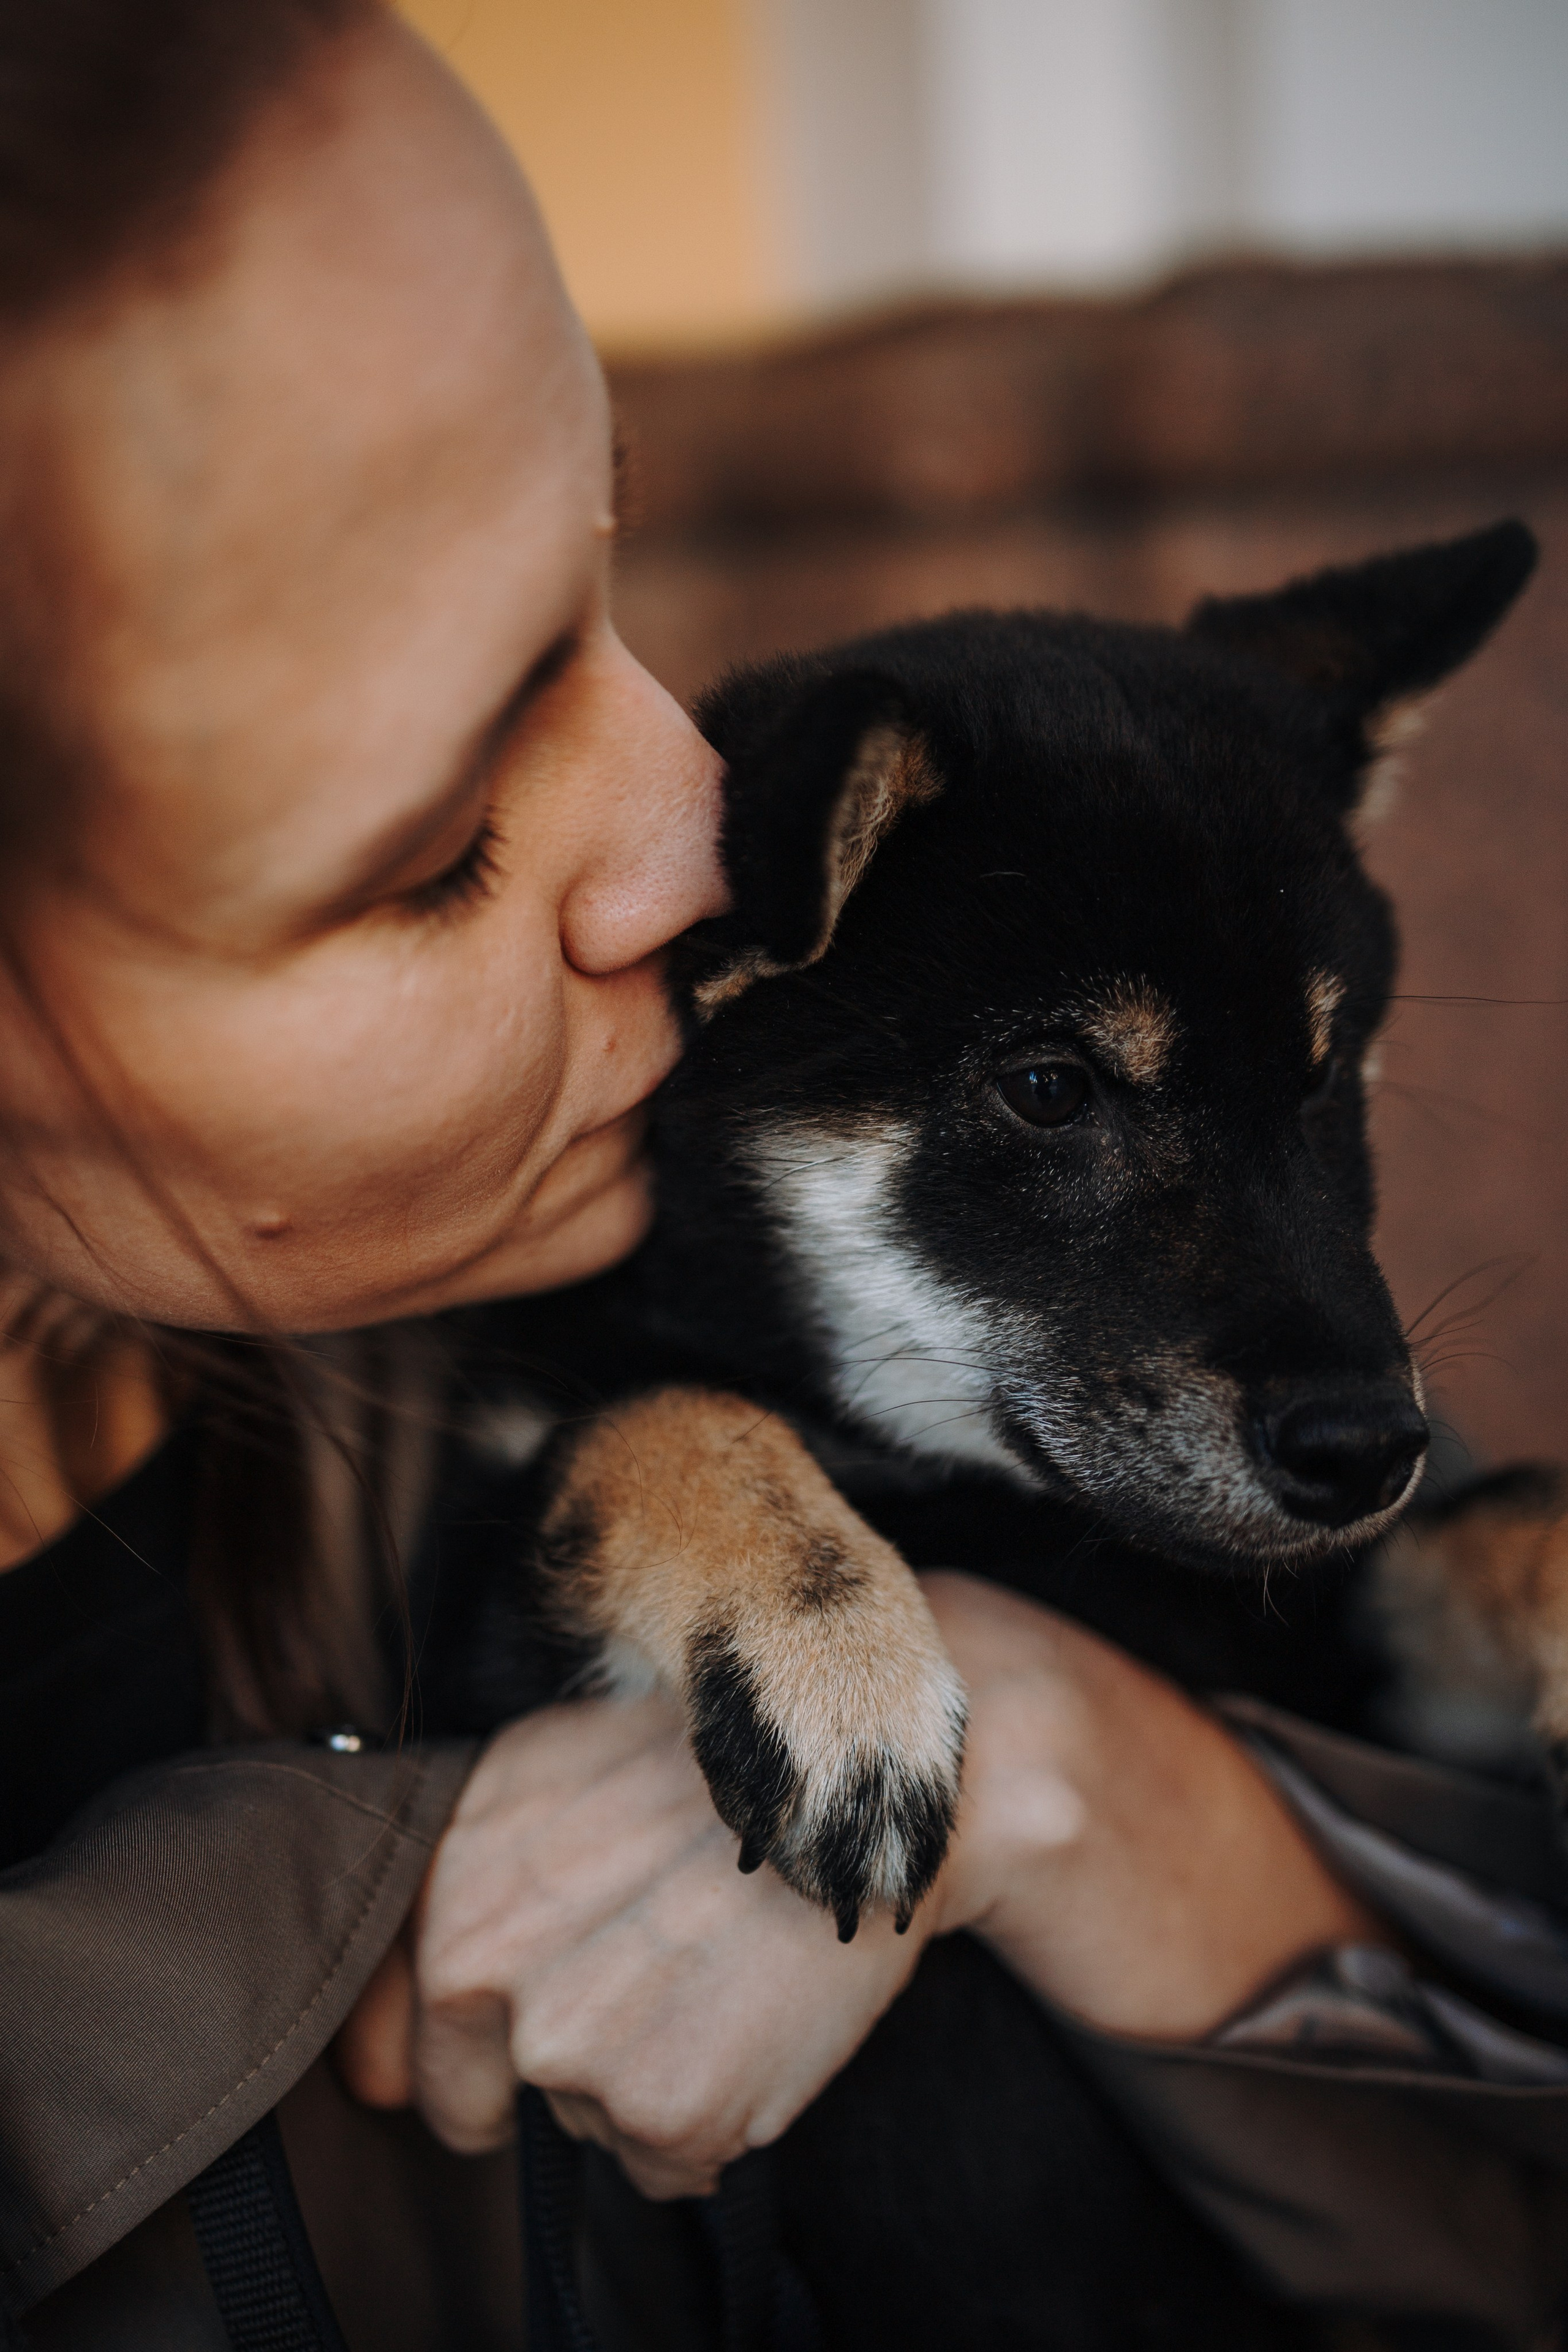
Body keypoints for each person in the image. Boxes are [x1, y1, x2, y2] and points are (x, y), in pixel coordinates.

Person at [1, 6, 1565, 2348]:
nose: (689, 833)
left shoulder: (499, 1314)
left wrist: (1050, 1758)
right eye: (433, 850)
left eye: (608, 580)